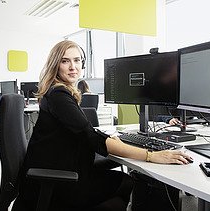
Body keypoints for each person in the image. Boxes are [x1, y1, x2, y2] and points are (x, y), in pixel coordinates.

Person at [13, 40, 192, 210]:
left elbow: (83, 132)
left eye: (77, 60)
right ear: (55, 65)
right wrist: (150, 155)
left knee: (121, 182)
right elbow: (89, 136)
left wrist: (111, 140)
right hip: (57, 182)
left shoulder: (57, 91)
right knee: (125, 182)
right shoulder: (58, 94)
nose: (73, 67)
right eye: (65, 61)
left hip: (57, 170)